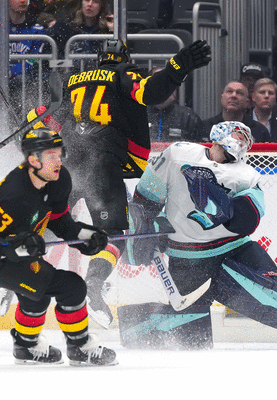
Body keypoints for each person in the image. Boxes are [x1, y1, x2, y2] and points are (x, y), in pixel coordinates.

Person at [123, 121, 277, 350]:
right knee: (193, 342)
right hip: (188, 261)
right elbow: (146, 198)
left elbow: (248, 220)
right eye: (238, 135)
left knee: (267, 293)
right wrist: (144, 228)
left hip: (235, 251)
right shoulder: (178, 154)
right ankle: (131, 325)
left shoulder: (246, 176)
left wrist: (225, 208)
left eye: (246, 141)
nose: (242, 142)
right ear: (219, 133)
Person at [62, 38, 211, 328]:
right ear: (124, 58)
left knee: (49, 221)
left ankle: (11, 279)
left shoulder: (75, 81)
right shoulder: (122, 73)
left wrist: (28, 120)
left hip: (69, 161)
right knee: (113, 234)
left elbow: (49, 120)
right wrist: (178, 67)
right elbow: (151, 92)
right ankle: (93, 286)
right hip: (102, 161)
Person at [0, 126, 117, 365]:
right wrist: (17, 247)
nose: (59, 161)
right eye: (51, 156)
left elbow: (60, 221)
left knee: (36, 296)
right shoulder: (13, 193)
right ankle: (80, 348)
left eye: (59, 154)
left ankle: (25, 347)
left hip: (20, 255)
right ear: (33, 160)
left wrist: (85, 236)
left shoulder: (60, 180)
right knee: (72, 287)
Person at [45, 0, 113, 67]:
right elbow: (50, 60)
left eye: (95, 1)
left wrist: (112, 30)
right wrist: (72, 65)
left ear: (101, 6)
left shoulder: (106, 30)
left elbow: (114, 60)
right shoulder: (64, 27)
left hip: (99, 73)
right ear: (81, 3)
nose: (90, 4)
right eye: (87, 0)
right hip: (71, 72)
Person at [147, 66, 205, 142]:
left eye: (169, 82)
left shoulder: (188, 117)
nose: (164, 87)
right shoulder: (140, 115)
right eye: (159, 82)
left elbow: (201, 147)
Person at [203, 81, 270, 143]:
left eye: (239, 93)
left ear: (247, 102)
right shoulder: (205, 127)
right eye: (229, 91)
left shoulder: (259, 131)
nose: (234, 95)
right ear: (221, 98)